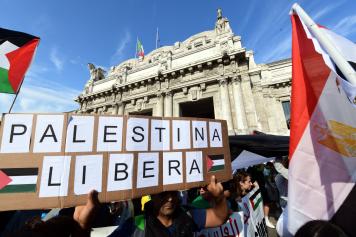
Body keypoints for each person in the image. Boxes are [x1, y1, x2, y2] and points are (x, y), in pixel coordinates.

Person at [109, 175, 228, 237]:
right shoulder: (135, 226)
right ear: (152, 195)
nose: (170, 198)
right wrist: (89, 213)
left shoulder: (187, 214)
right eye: (163, 194)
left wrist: (219, 197)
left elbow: (219, 218)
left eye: (173, 193)